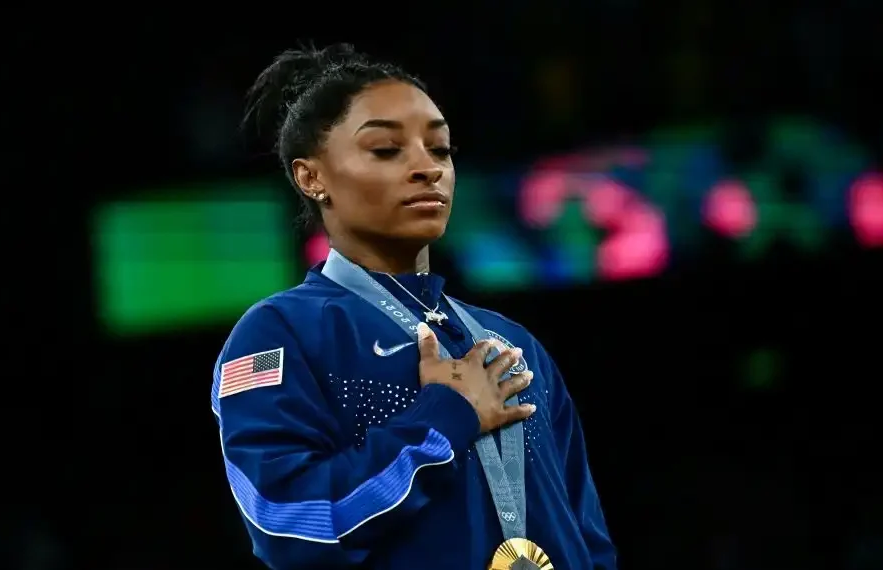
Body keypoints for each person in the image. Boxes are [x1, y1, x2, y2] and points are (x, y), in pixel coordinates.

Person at [211, 43, 617, 570]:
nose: (427, 169)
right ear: (311, 178)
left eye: (441, 150)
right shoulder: (280, 333)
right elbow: (287, 521)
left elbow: (589, 541)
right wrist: (445, 419)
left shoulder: (516, 345)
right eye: (385, 149)